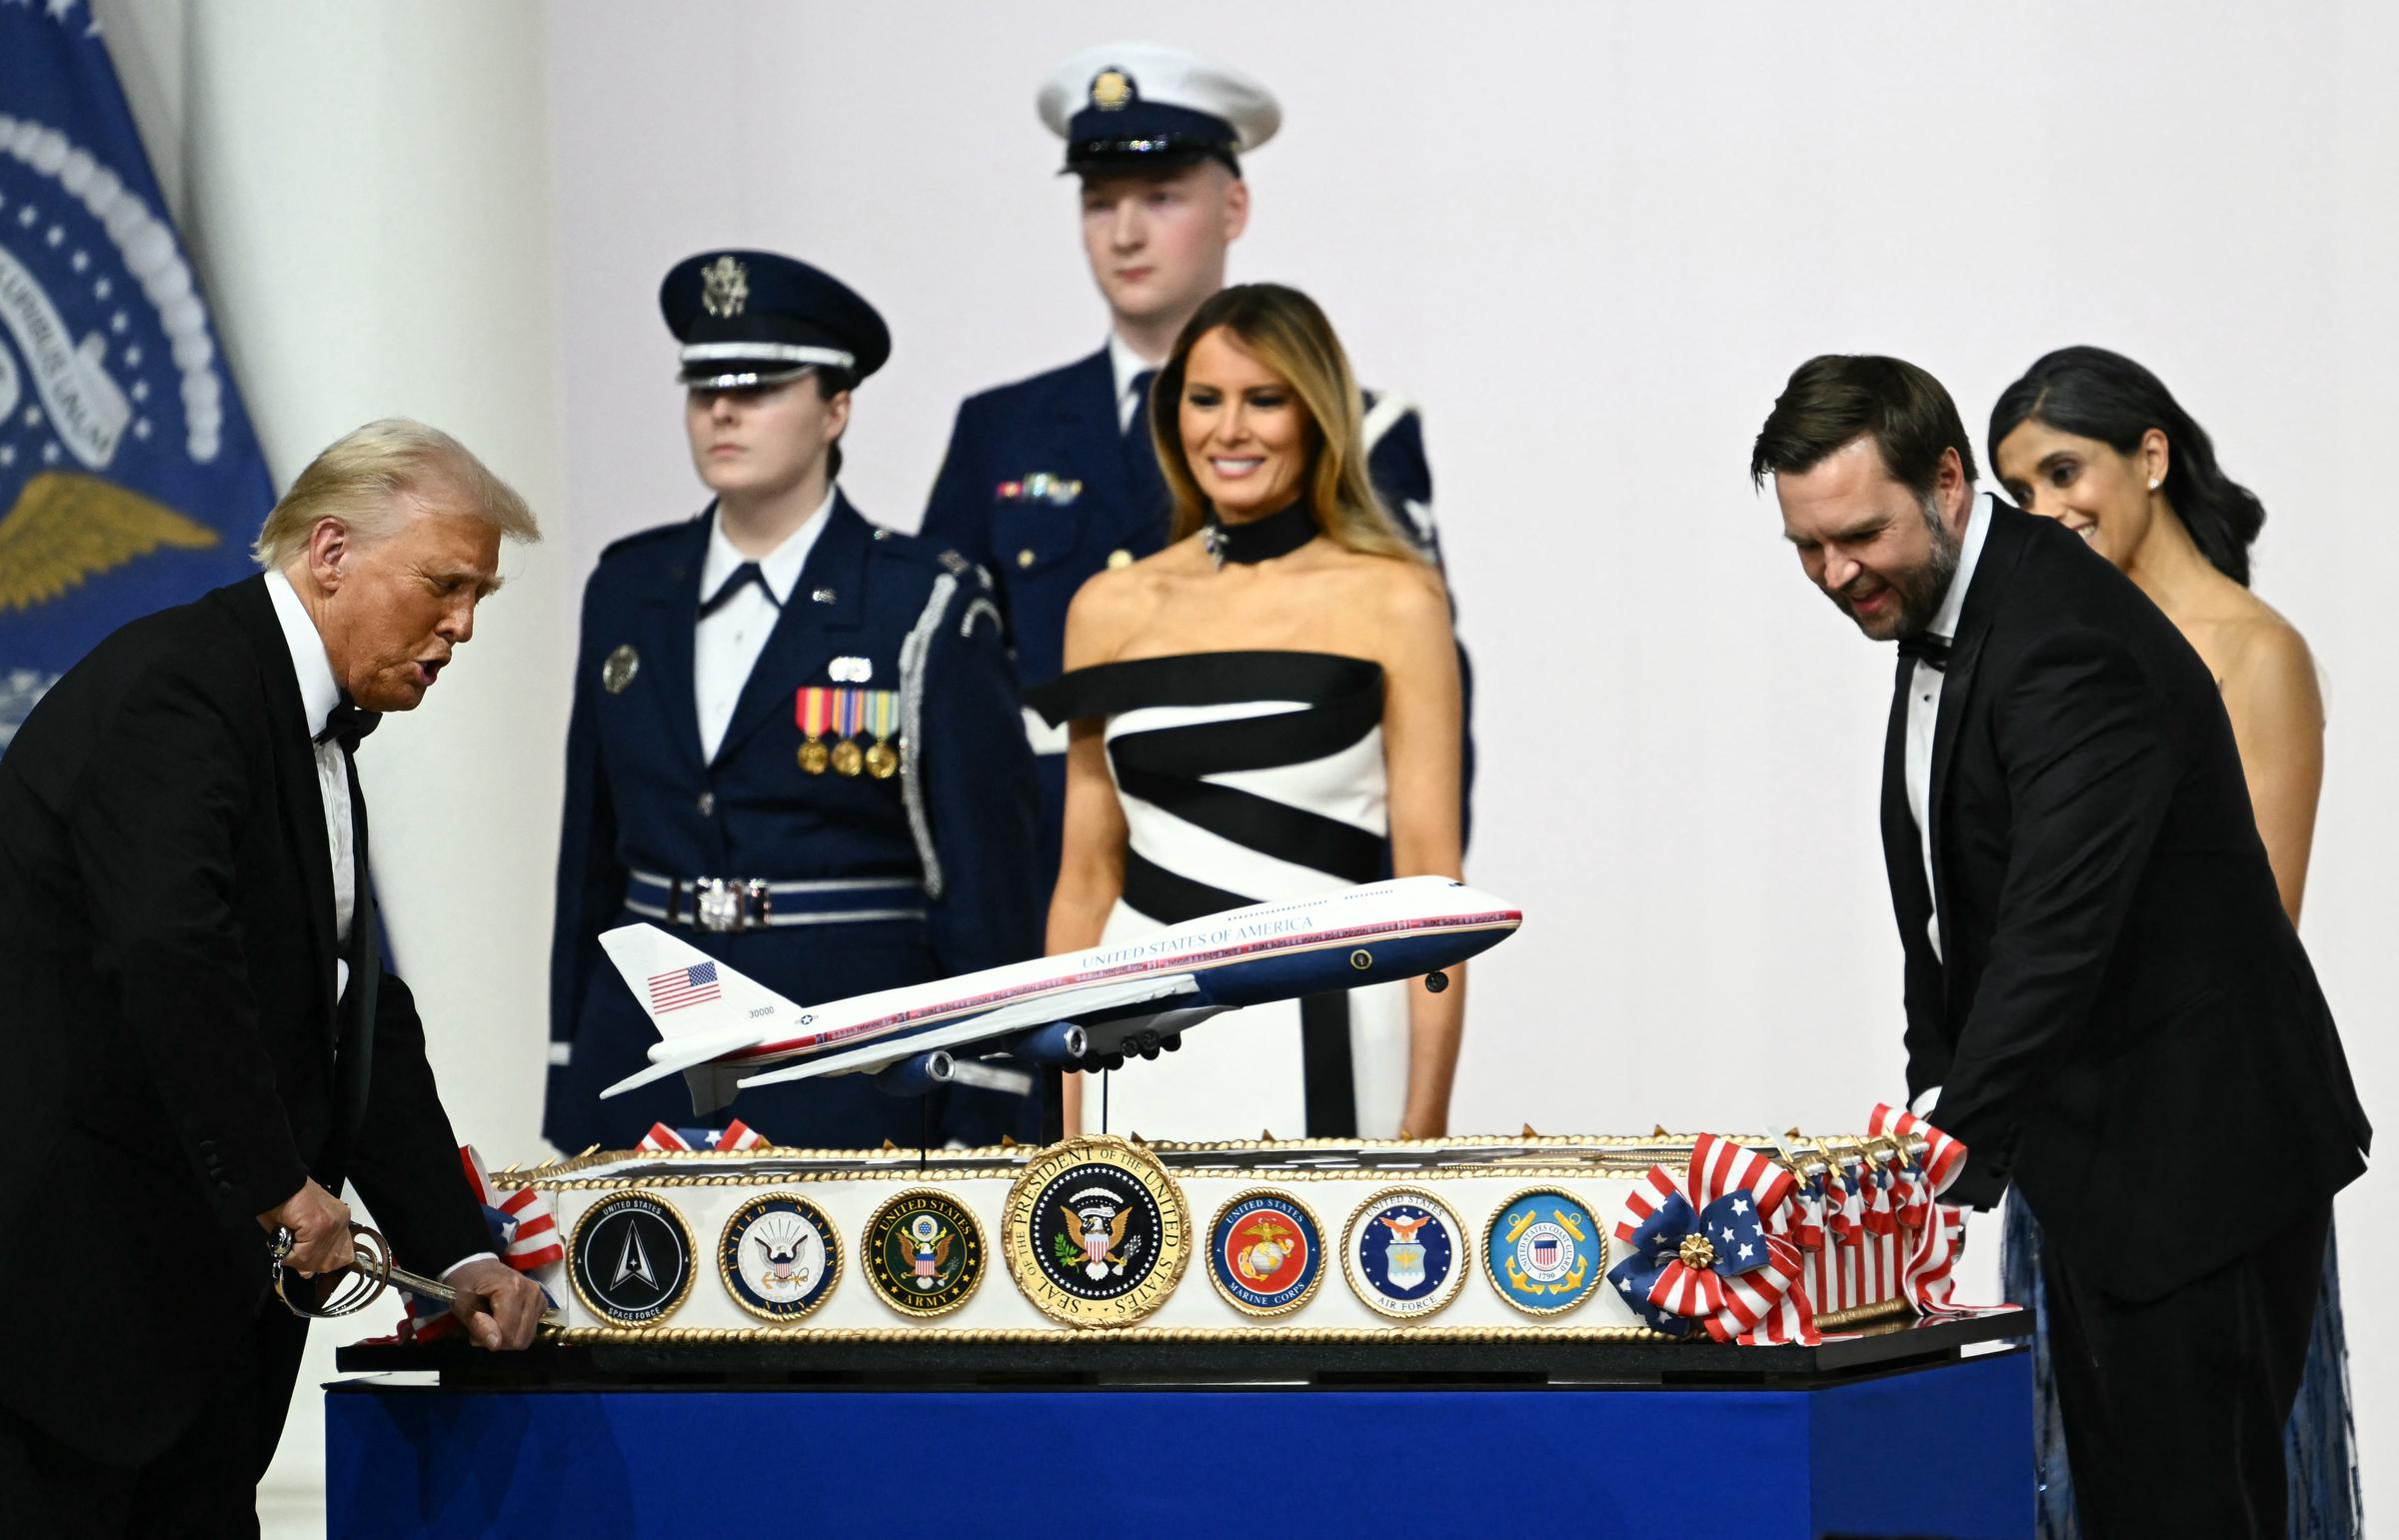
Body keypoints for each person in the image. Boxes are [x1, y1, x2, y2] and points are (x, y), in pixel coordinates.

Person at [1750, 354, 2368, 1538]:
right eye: (1807, 550)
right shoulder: (1949, 607)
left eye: (1861, 535)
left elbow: (2057, 922)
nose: (1838, 574)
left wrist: (1937, 1154)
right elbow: (1945, 898)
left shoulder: (2061, 629)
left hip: (2199, 1166)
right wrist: (1936, 1077)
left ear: (1945, 481)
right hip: (2097, 1161)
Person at [0, 420, 551, 1532]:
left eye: (479, 596)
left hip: (193, 1334)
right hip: (70, 1324)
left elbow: (359, 1027)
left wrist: (458, 1246)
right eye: (445, 585)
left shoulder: (306, 728)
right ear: (331, 551)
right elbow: (171, 955)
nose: (462, 627)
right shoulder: (180, 689)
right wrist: (276, 1181)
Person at [923, 41, 1458, 899]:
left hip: (1274, 883)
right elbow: (942, 699)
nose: (1125, 234)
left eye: (1162, 198)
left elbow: (1422, 711)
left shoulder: (1354, 427)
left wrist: (1393, 925)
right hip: (1039, 877)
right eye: (1100, 204)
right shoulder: (1000, 432)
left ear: (1233, 206)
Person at [545, 251, 1041, 1156]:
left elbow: (983, 879)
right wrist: (571, 1062)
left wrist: (990, 1086)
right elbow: (593, 857)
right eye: (703, 388)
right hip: (651, 1040)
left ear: (836, 406)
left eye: (761, 386)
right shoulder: (627, 586)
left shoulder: (919, 599)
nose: (723, 410)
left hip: (850, 1058)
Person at [1989, 346, 2358, 1538]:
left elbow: (2264, 926)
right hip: (2071, 1142)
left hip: (2208, 1155)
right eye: (2022, 491)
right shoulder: (2043, 655)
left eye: (2064, 469)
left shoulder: (2255, 652)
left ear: (2150, 456)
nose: (2048, 510)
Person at [1028, 283, 1464, 1142]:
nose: (1229, 430)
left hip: (1332, 1023)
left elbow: (1432, 890)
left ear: (1317, 414)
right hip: (1136, 1039)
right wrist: (1073, 1121)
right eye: (1204, 399)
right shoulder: (1107, 607)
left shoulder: (1398, 600)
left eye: (1263, 400)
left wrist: (1425, 1130)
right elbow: (1083, 886)